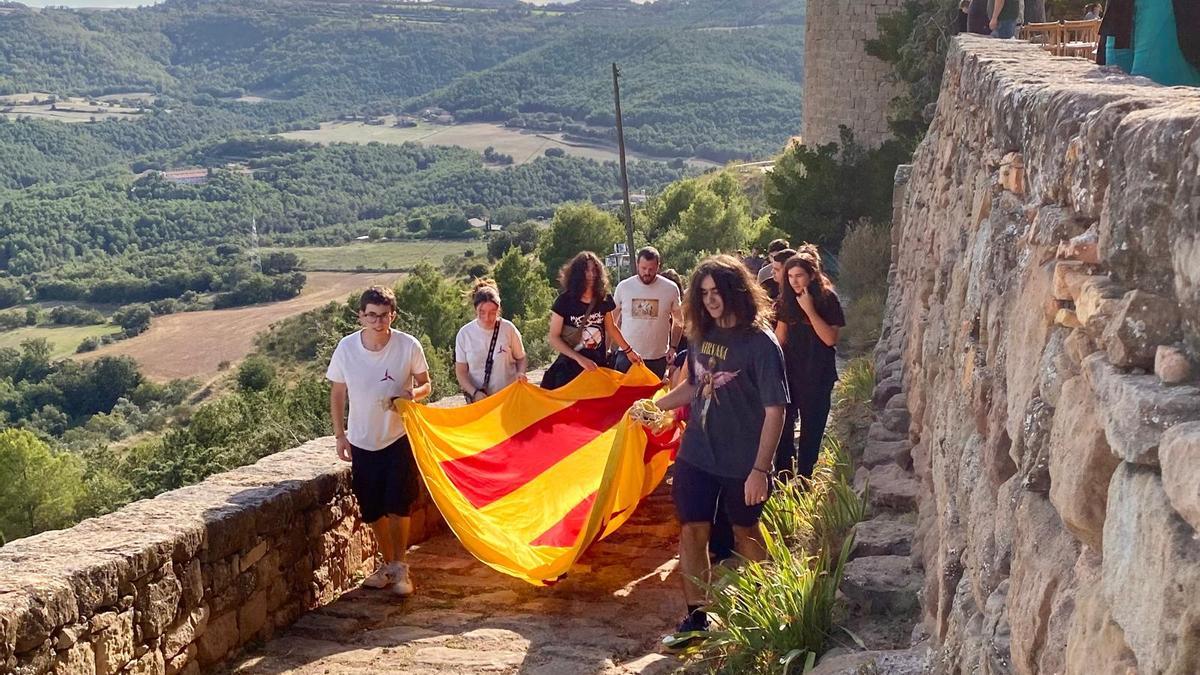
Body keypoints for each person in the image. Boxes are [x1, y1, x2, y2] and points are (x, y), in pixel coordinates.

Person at [646, 254, 789, 640]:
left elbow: (776, 410)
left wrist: (761, 470)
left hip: (743, 462)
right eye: (703, 292)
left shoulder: (760, 343)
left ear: (736, 291)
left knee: (746, 533)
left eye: (717, 291)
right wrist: (653, 406)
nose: (710, 299)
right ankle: (696, 619)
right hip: (697, 455)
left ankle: (771, 608)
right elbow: (694, 385)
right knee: (693, 530)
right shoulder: (700, 335)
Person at [327, 285, 431, 596]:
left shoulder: (407, 345)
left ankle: (400, 567)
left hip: (398, 436)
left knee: (398, 503)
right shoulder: (346, 349)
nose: (377, 322)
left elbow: (427, 384)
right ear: (360, 316)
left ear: (393, 316)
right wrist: (339, 435)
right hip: (361, 438)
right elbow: (337, 393)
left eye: (383, 316)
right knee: (372, 509)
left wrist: (411, 394)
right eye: (371, 315)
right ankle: (390, 564)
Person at [775, 255, 845, 479]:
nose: (794, 281)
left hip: (818, 376)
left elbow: (830, 339)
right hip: (790, 376)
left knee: (811, 433)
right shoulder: (786, 300)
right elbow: (780, 338)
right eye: (790, 276)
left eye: (799, 276)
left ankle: (805, 480)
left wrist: (809, 310)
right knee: (783, 430)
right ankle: (783, 478)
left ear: (812, 276)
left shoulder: (828, 300)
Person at [542, 251, 641, 389]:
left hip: (597, 367)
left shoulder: (604, 299)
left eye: (594, 270)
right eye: (586, 270)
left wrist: (629, 351)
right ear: (577, 274)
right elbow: (553, 337)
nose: (591, 275)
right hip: (570, 371)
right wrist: (579, 359)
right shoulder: (564, 301)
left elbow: (611, 327)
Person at [612, 247, 683, 379]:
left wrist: (673, 347)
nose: (647, 272)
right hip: (627, 355)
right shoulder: (624, 287)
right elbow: (611, 321)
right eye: (643, 268)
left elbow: (678, 321)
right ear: (637, 265)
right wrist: (610, 348)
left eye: (651, 269)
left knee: (653, 398)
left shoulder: (670, 289)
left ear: (658, 267)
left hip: (657, 357)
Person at [454, 279, 527, 402]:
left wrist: (521, 372)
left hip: (509, 398)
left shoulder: (508, 329)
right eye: (481, 312)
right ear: (475, 309)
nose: (486, 318)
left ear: (498, 310)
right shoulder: (464, 334)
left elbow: (521, 357)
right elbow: (461, 372)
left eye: (492, 313)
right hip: (481, 402)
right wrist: (474, 392)